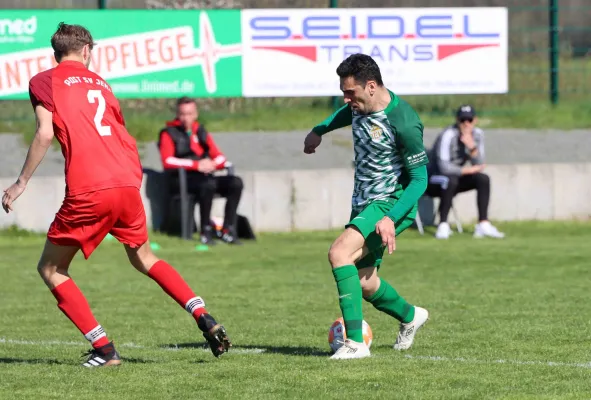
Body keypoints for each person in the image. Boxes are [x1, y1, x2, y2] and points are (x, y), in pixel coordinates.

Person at [1, 23, 231, 368]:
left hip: (90, 187)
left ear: (55, 54)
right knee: (145, 258)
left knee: (51, 267)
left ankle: (105, 349)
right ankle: (203, 314)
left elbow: (44, 133)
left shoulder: (43, 81)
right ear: (87, 51)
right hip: (126, 182)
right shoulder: (101, 84)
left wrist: (20, 182)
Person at [303, 54, 430, 360]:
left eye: (351, 93)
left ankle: (356, 344)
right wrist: (319, 130)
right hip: (362, 203)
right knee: (364, 282)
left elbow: (419, 180)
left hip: (389, 203)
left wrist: (390, 217)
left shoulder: (404, 121)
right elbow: (344, 116)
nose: (346, 100)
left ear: (371, 86)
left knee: (338, 253)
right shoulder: (360, 107)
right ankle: (411, 315)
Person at [158, 97, 243, 245]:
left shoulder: (201, 131)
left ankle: (228, 229)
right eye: (183, 114)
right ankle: (206, 230)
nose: (186, 118)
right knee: (207, 185)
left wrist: (212, 164)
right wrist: (196, 165)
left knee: (235, 183)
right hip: (183, 179)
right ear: (178, 114)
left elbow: (220, 157)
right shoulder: (168, 133)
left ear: (196, 114)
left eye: (190, 114)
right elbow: (168, 161)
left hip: (205, 176)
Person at [426, 105, 505, 240]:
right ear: (457, 120)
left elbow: (479, 165)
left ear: (475, 120)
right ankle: (443, 225)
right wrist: (467, 170)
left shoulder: (478, 134)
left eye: (469, 120)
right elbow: (443, 167)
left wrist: (472, 148)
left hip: (455, 178)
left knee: (483, 179)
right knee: (450, 179)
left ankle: (483, 224)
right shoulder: (448, 134)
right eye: (463, 120)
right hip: (433, 179)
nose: (466, 124)